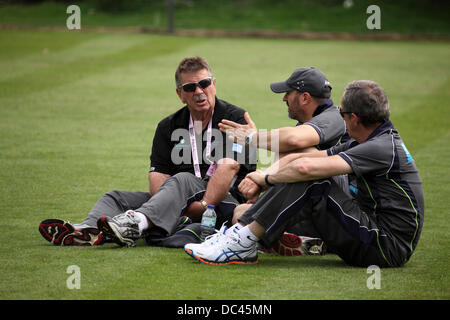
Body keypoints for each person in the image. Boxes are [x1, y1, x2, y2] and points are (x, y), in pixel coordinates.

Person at [184, 80, 424, 268]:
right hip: (371, 227)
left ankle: (243, 241)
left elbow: (305, 168)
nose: (340, 116)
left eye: (343, 112)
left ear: (354, 118)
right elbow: (303, 158)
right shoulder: (368, 139)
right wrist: (264, 173)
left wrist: (266, 179)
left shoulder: (380, 147)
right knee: (248, 209)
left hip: (385, 247)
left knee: (313, 180)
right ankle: (246, 234)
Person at [38, 56, 256, 247]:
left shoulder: (235, 118)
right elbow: (157, 179)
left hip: (222, 202)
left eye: (204, 83)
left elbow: (230, 167)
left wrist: (201, 206)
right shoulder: (168, 126)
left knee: (183, 179)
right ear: (180, 94)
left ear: (214, 84)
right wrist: (175, 206)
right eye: (190, 87)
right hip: (179, 200)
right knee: (115, 198)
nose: (199, 91)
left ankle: (135, 224)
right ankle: (87, 231)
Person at [218, 67, 347, 255]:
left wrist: (252, 138)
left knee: (296, 149)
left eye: (288, 93)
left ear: (305, 98)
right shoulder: (309, 124)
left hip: (336, 204)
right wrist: (262, 182)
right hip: (309, 204)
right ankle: (305, 241)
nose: (284, 98)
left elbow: (293, 141)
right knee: (240, 213)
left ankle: (268, 239)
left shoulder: (333, 117)